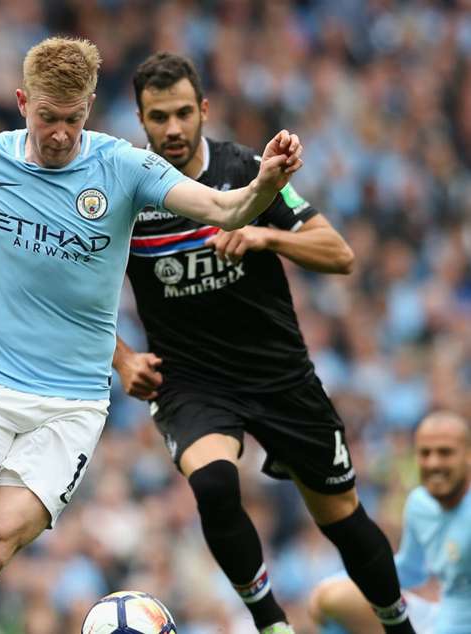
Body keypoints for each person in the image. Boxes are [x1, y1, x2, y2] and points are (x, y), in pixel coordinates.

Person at [0, 36, 304, 633]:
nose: (60, 134)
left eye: (73, 119)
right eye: (48, 117)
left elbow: (224, 210)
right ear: (23, 102)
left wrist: (264, 184)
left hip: (72, 405)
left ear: (89, 108)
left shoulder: (124, 166)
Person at [113, 52, 414, 634]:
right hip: (192, 379)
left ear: (204, 110)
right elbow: (70, 292)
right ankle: (272, 623)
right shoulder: (125, 192)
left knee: (341, 517)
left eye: (182, 113)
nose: (172, 128)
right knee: (213, 484)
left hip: (278, 373)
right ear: (140, 119)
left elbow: (340, 254)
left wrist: (265, 237)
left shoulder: (247, 169)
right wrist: (122, 358)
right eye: (158, 117)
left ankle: (400, 627)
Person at [309, 411, 471, 634]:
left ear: (468, 455)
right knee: (333, 598)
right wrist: (330, 583)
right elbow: (410, 570)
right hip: (438, 619)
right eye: (425, 453)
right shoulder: (419, 504)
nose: (434, 463)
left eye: (445, 453)